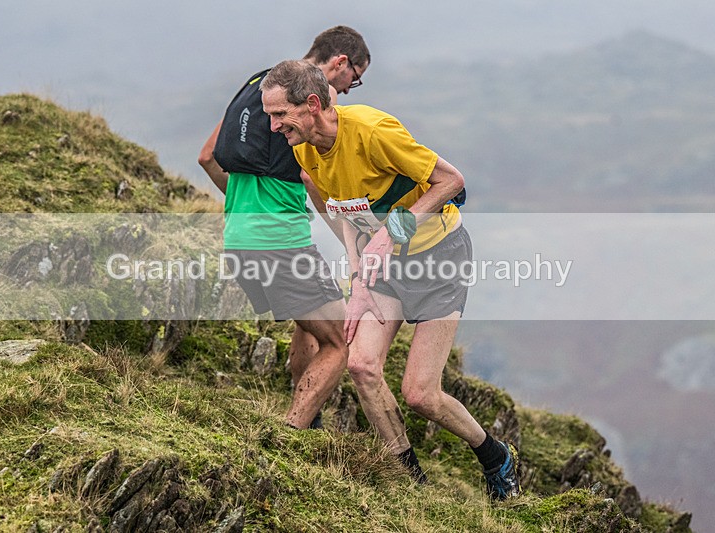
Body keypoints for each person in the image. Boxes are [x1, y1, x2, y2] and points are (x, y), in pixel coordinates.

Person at [259, 59, 520, 499]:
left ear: (312, 104)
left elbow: (451, 182)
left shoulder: (373, 131)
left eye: (279, 114)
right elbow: (347, 213)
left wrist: (389, 234)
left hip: (439, 259)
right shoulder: (305, 149)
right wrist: (358, 277)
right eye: (269, 115)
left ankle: (495, 457)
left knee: (420, 393)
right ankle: (407, 475)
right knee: (361, 365)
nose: (272, 126)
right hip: (384, 268)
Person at [198, 27, 371, 430]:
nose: (347, 91)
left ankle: (304, 419)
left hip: (238, 241)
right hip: (282, 244)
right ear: (339, 63)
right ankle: (293, 432)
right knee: (339, 342)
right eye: (355, 78)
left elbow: (208, 157)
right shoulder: (312, 107)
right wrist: (352, 242)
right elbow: (312, 180)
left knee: (308, 325)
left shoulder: (261, 84)